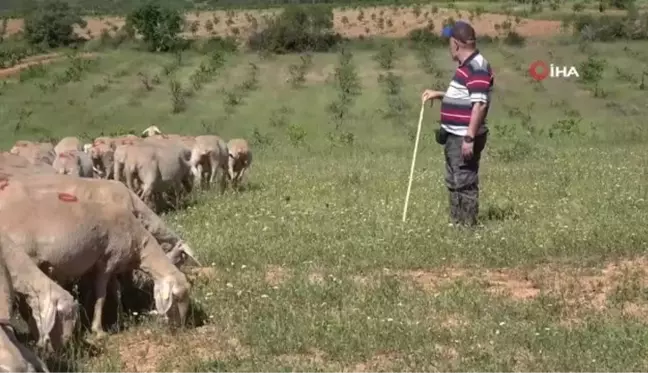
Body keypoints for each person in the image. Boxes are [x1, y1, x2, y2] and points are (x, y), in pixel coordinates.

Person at [421, 21, 494, 227]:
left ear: (455, 44)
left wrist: (469, 137)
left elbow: (479, 104)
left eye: (448, 42)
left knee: (465, 181)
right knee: (454, 180)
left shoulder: (477, 67)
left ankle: (467, 227)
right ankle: (457, 223)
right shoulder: (467, 66)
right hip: (456, 135)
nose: (448, 47)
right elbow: (467, 97)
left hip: (464, 136)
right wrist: (440, 95)